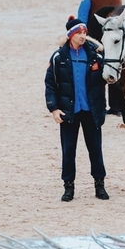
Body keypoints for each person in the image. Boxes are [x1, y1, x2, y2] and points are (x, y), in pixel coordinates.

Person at [44, 16, 109, 202]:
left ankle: (100, 185)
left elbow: (108, 77)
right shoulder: (58, 57)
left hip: (91, 110)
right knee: (69, 150)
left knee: (96, 149)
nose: (83, 36)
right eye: (79, 33)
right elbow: (50, 84)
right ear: (71, 35)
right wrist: (54, 109)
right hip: (69, 111)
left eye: (84, 33)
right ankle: (68, 187)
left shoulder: (95, 55)